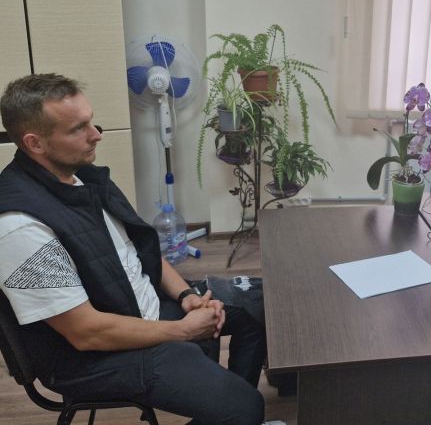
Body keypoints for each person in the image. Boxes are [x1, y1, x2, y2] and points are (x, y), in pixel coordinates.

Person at [0, 74, 275, 424]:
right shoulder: (19, 226)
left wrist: (187, 296)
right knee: (245, 409)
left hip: (141, 308)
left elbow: (139, 251)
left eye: (91, 121)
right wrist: (185, 330)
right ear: (35, 143)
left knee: (257, 307)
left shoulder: (83, 177)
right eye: (78, 128)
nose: (96, 134)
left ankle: (225, 408)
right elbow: (85, 332)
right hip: (93, 357)